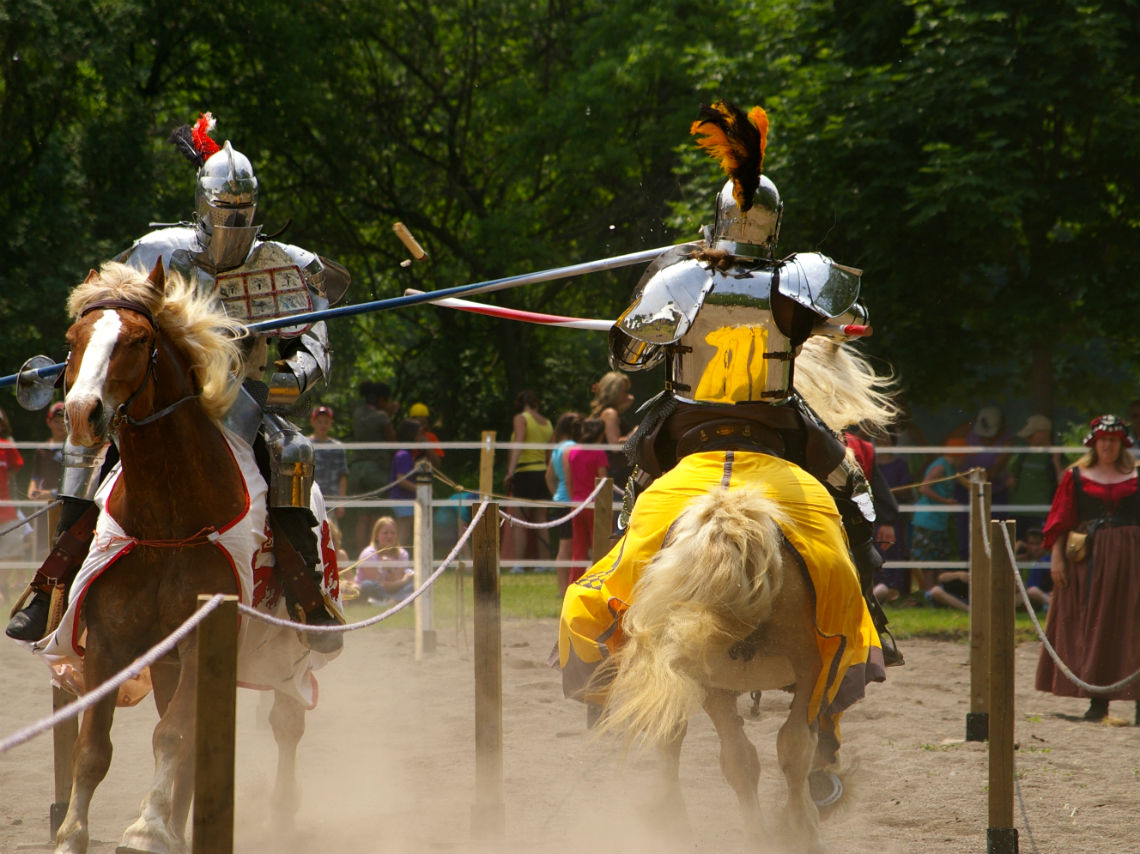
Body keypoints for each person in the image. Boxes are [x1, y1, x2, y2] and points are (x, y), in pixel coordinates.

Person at [562, 99, 893, 734]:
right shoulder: (802, 279)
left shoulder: (679, 279)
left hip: (685, 432)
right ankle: (864, 627)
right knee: (852, 499)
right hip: (776, 428)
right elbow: (850, 322)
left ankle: (611, 646)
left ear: (716, 221)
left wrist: (670, 279)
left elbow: (627, 354)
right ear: (775, 226)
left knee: (638, 514)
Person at [7, 113, 350, 646]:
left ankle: (304, 594)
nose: (233, 221)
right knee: (90, 452)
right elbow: (106, 318)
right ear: (203, 204)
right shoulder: (153, 253)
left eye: (242, 210)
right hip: (158, 392)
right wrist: (80, 372)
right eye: (223, 209)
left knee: (294, 450)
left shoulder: (287, 266)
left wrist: (283, 382)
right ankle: (53, 581)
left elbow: (314, 352)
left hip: (246, 396)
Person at [1034, 414, 1139, 723]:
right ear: (1095, 444)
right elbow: (1060, 521)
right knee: (1097, 624)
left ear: (1122, 445)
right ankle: (1098, 702)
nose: (1108, 446)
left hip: (1132, 558)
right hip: (1090, 560)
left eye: (1113, 441)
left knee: (1132, 624)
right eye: (1103, 441)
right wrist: (1057, 559)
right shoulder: (1076, 476)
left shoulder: (1135, 476)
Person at [911, 437, 968, 595]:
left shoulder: (951, 468)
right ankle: (930, 592)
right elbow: (924, 488)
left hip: (938, 520)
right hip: (928, 519)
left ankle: (939, 591)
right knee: (929, 560)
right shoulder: (941, 467)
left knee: (938, 558)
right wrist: (945, 501)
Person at [504, 390, 553, 571]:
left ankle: (519, 565)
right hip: (541, 472)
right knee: (542, 520)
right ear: (536, 403)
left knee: (518, 520)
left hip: (525, 472)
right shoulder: (547, 423)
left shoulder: (521, 418)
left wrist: (510, 471)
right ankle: (544, 563)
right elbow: (549, 452)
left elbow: (518, 443)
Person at [348, 380, 397, 554]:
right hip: (375, 469)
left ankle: (362, 554)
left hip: (357, 468)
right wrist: (389, 414)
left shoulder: (358, 413)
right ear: (381, 399)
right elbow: (392, 441)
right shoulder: (382, 417)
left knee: (362, 516)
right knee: (376, 515)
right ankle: (376, 553)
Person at [563, 418, 609, 581]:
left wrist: (573, 500)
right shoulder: (599, 453)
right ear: (601, 434)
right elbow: (603, 482)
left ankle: (573, 584)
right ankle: (598, 582)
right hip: (596, 506)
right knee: (601, 549)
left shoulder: (572, 452)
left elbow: (568, 481)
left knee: (579, 551)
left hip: (577, 504)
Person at [545, 412, 582, 595]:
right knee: (568, 546)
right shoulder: (572, 447)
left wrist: (557, 496)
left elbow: (549, 477)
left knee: (564, 546)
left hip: (561, 500)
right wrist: (572, 498)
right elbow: (569, 477)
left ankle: (563, 588)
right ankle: (564, 589)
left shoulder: (557, 447)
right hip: (571, 502)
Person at [1007, 414, 1061, 538]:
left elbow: (1063, 482)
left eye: (1031, 435)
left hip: (1041, 514)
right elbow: (1010, 479)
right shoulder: (1022, 456)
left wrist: (1057, 462)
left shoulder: (1056, 455)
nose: (1027, 439)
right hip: (1017, 513)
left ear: (1044, 433)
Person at [588, 371, 635, 493]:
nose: (627, 395)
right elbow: (614, 446)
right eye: (624, 391)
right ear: (615, 391)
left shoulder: (604, 412)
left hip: (610, 472)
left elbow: (630, 399)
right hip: (616, 474)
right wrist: (634, 433)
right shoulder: (610, 414)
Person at [355, 516, 412, 604]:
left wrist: (390, 570)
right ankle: (397, 600)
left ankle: (392, 601)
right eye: (385, 533)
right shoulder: (368, 554)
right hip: (374, 591)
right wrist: (404, 581)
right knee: (367, 585)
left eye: (393, 533)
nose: (389, 536)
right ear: (376, 536)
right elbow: (381, 585)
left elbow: (395, 580)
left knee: (413, 575)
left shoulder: (402, 554)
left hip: (395, 589)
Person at [389, 419, 423, 556]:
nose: (422, 437)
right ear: (412, 435)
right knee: (403, 531)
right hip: (401, 498)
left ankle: (398, 558)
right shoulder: (403, 455)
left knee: (405, 530)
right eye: (419, 434)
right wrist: (421, 490)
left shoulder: (406, 455)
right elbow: (401, 480)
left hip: (404, 499)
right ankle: (397, 559)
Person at [309, 405, 348, 520]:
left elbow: (343, 476)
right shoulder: (305, 445)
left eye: (326, 422)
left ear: (331, 423)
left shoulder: (338, 447)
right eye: (319, 421)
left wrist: (341, 502)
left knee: (331, 533)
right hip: (310, 499)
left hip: (331, 501)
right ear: (313, 422)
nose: (323, 425)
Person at [0, 408, 29, 563]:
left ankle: (3, 586)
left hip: (6, 510)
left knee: (11, 554)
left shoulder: (6, 446)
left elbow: (13, 474)